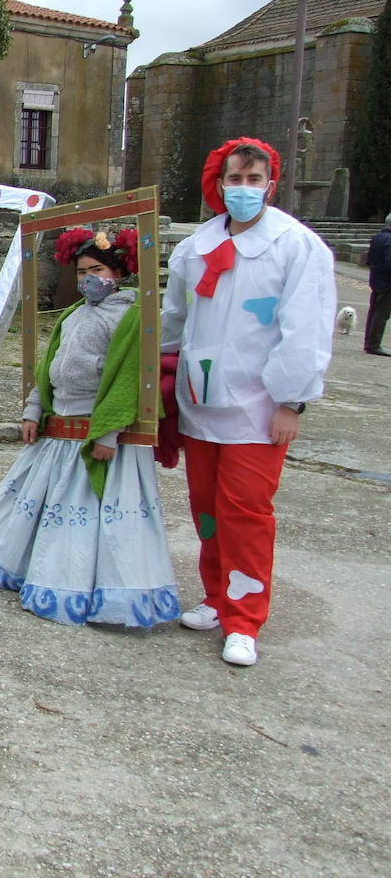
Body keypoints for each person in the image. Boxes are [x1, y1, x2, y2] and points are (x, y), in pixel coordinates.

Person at [0, 228, 181, 628]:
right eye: (81, 271)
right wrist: (33, 409)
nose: (87, 278)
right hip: (60, 428)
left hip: (100, 431)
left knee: (85, 512)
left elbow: (129, 377)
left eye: (96, 270)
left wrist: (108, 433)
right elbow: (48, 367)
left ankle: (75, 584)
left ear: (117, 273)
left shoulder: (132, 318)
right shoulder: (73, 315)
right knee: (41, 503)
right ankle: (22, 568)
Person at [161, 137, 335, 666]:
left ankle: (244, 617)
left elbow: (304, 328)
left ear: (270, 185)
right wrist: (158, 376)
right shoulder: (196, 247)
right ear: (218, 185)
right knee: (207, 509)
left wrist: (292, 400)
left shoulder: (297, 247)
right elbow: (174, 320)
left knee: (246, 511)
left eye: (253, 180)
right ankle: (216, 595)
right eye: (234, 180)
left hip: (257, 409)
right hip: (201, 402)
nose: (243, 189)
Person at [365, 210, 391, 357]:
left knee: (373, 312)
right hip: (387, 282)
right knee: (381, 314)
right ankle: (374, 344)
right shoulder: (389, 240)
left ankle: (369, 342)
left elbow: (369, 260)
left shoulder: (377, 237)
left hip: (375, 279)